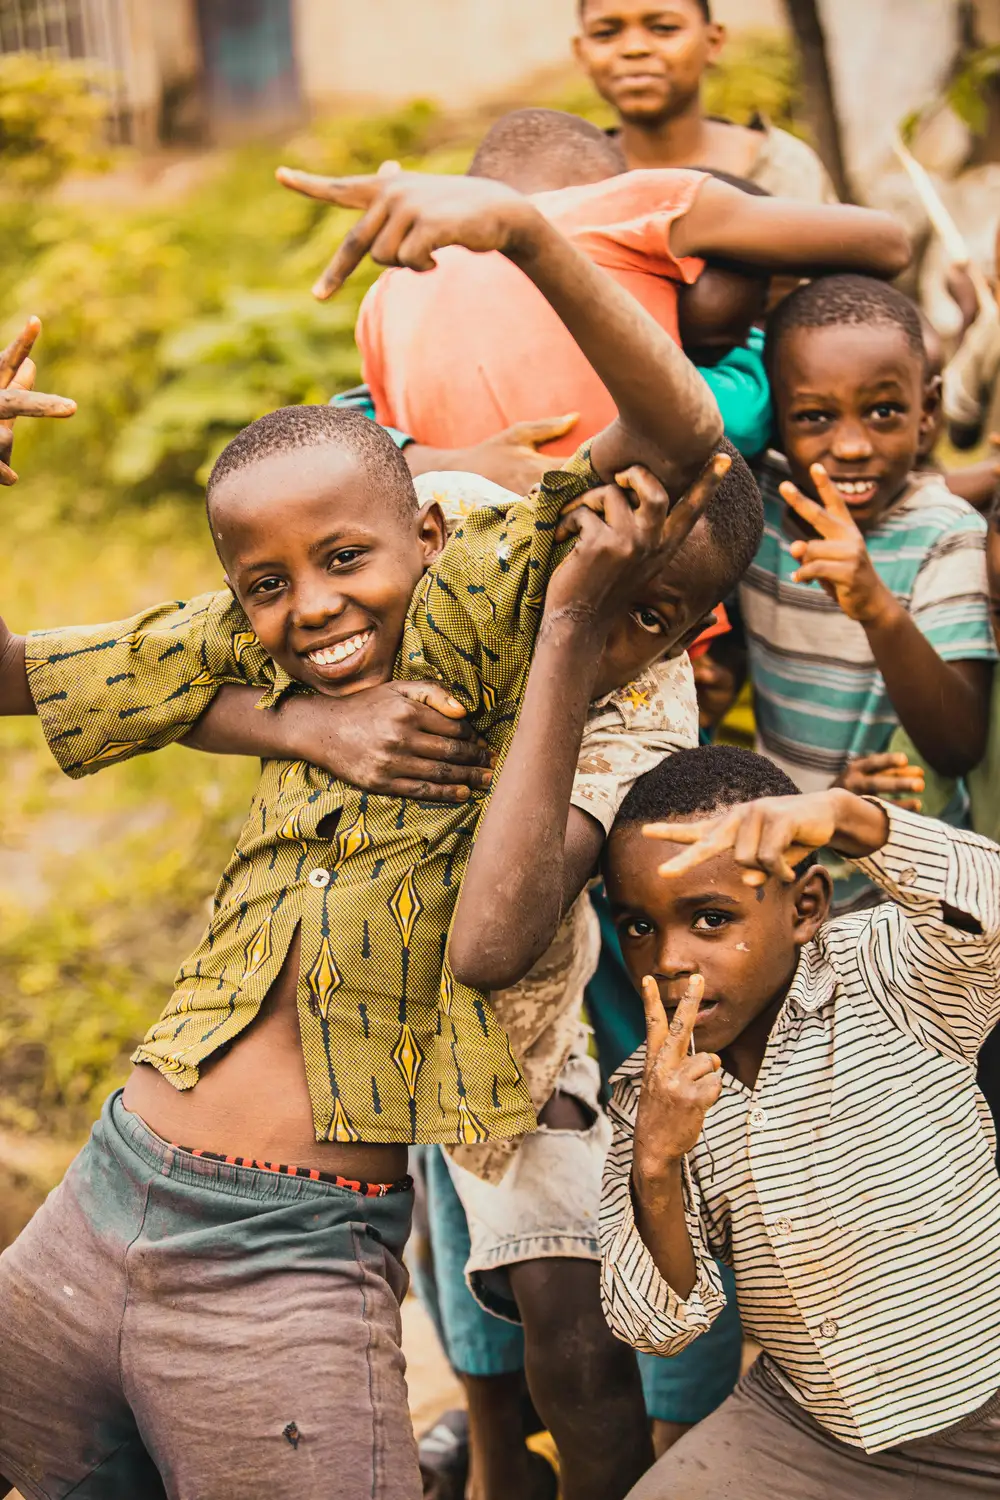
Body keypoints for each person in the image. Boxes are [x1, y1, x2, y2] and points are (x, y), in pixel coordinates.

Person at [0, 166, 744, 1500]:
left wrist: (518, 230)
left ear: (433, 528)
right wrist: (290, 723)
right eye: (269, 585)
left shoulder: (501, 616)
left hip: (287, 1258)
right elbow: (21, 672)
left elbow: (685, 440)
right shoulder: (264, 658)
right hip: (99, 1195)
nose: (312, 609)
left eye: (349, 559)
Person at [597, 744, 1000, 1497]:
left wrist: (850, 820)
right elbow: (658, 1324)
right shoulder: (651, 1096)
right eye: (639, 928)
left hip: (987, 1404)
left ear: (806, 906)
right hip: (812, 1429)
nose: (670, 959)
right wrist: (655, 1164)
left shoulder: (889, 971)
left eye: (711, 919)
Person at [354, 112, 906, 465]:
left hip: (472, 601)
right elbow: (888, 243)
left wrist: (454, 462)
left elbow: (370, 431)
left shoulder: (384, 295)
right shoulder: (618, 204)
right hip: (654, 595)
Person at [738, 274, 996, 910]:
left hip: (905, 879)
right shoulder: (756, 505)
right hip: (781, 848)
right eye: (815, 417)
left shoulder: (944, 531)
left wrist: (876, 605)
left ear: (928, 411)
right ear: (777, 418)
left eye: (883, 412)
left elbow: (958, 742)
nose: (851, 445)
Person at [573, 0, 838, 202]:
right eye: (605, 33)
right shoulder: (571, 186)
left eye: (663, 28)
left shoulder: (782, 169)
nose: (634, 48)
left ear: (712, 42)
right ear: (581, 53)